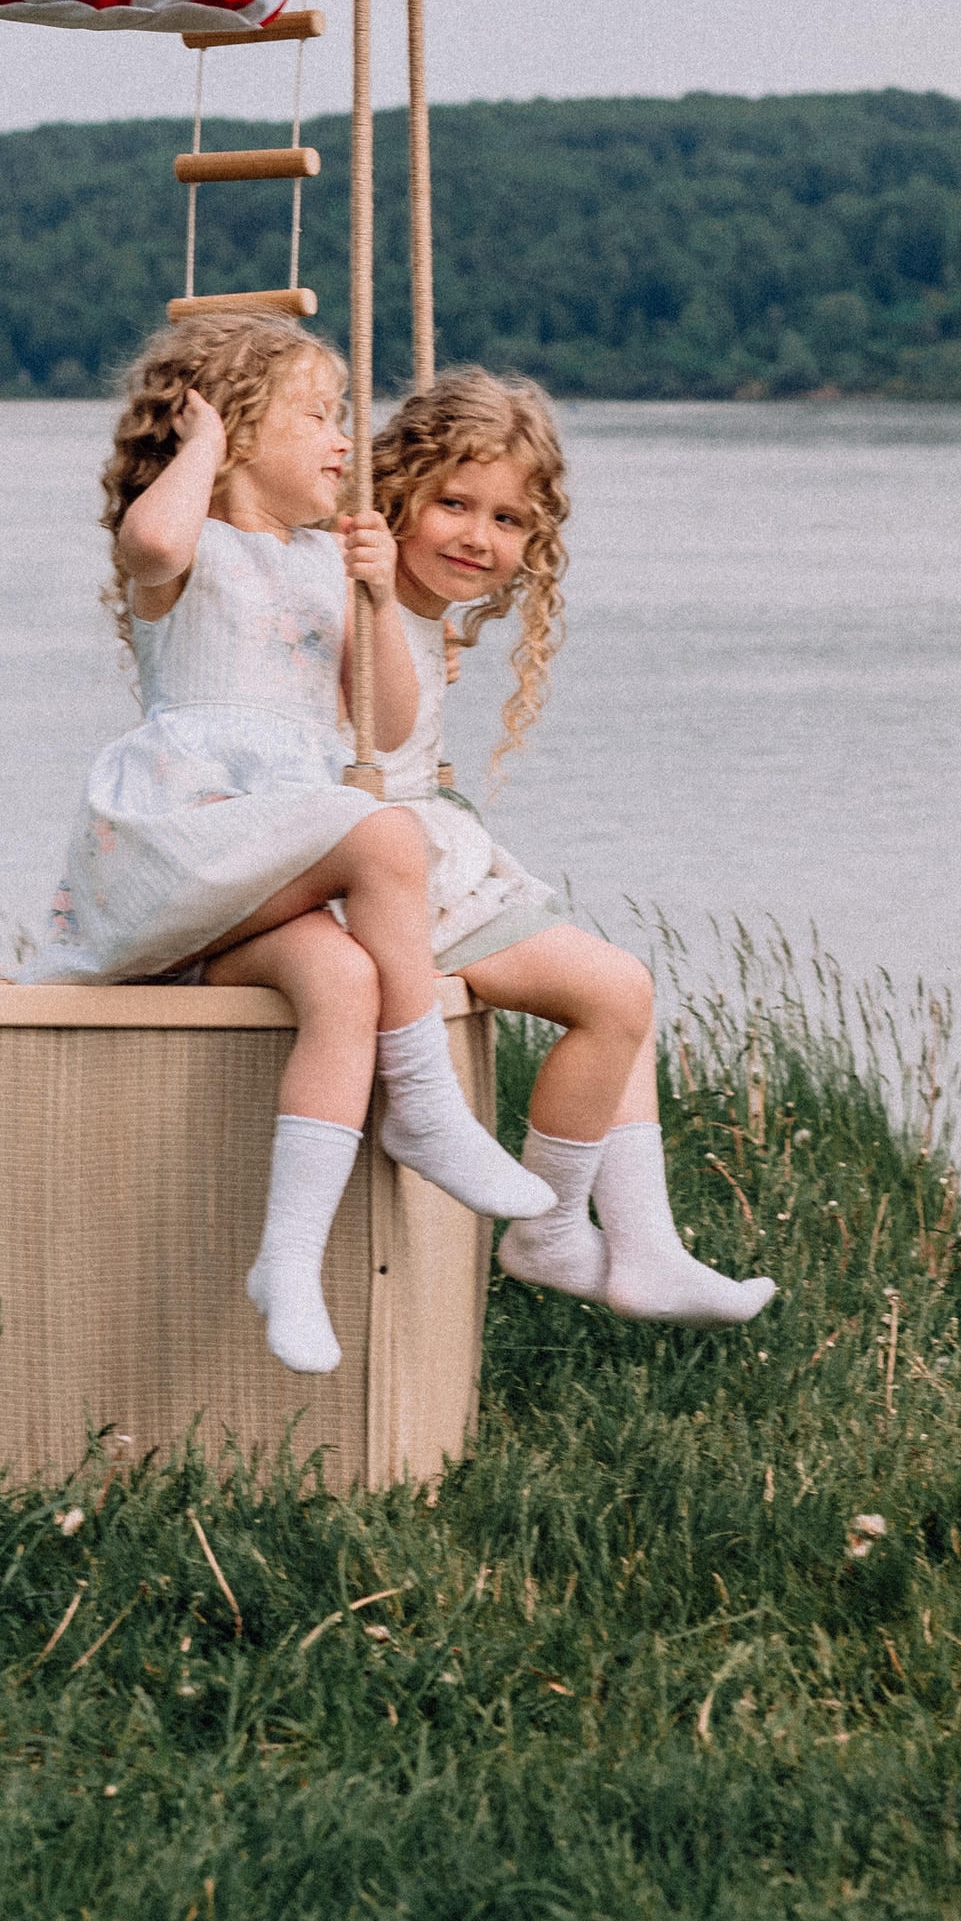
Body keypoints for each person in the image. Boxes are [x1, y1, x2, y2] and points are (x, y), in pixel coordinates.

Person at [30, 316, 552, 1377]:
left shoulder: (330, 561)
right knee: (384, 834)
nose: (341, 442)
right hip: (181, 849)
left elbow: (391, 722)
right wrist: (202, 445)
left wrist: (370, 598)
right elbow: (152, 542)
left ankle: (287, 1258)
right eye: (317, 417)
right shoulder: (191, 552)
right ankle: (427, 1108)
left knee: (343, 978)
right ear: (231, 432)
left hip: (255, 888)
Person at [369, 366, 776, 1330]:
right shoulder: (365, 602)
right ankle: (552, 1234)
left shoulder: (415, 615)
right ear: (395, 496)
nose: (479, 536)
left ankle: (644, 1243)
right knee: (613, 992)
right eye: (453, 504)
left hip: (424, 848)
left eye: (509, 521)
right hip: (376, 870)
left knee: (618, 988)